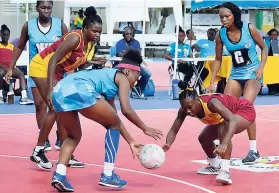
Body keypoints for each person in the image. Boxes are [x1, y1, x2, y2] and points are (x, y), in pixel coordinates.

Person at [50, 49, 163, 191]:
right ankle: (108, 175)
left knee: (73, 136)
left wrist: (131, 141)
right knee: (112, 124)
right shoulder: (122, 78)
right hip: (80, 88)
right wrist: (145, 128)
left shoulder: (108, 80)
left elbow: (114, 120)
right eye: (137, 75)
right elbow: (126, 110)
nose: (136, 81)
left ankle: (59, 175)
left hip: (59, 90)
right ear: (128, 71)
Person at [7, 6, 102, 170]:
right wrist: (51, 90)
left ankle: (65, 154)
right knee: (54, 108)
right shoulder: (75, 38)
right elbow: (52, 60)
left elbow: (77, 63)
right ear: (85, 28)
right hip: (41, 66)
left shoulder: (90, 43)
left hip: (56, 71)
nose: (97, 35)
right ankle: (38, 150)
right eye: (94, 31)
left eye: (100, 32)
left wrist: (93, 62)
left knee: (64, 109)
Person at [163, 81, 256, 185]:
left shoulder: (212, 103)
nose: (188, 111)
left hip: (244, 110)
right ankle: (215, 165)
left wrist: (224, 143)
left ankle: (225, 171)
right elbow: (174, 129)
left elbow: (232, 121)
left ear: (197, 100)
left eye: (190, 107)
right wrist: (168, 144)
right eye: (185, 108)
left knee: (223, 127)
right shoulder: (184, 110)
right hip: (226, 117)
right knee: (204, 138)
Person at [5, 0, 68, 153]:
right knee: (40, 106)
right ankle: (44, 138)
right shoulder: (29, 26)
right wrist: (10, 68)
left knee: (59, 107)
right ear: (37, 8)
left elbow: (69, 46)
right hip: (36, 72)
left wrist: (71, 67)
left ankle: (61, 137)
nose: (46, 10)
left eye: (49, 8)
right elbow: (19, 46)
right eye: (43, 7)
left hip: (57, 72)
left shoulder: (60, 25)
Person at [208, 2, 267, 164]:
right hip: (236, 74)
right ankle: (224, 149)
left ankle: (253, 150)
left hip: (253, 73)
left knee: (246, 107)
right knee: (224, 109)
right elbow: (218, 59)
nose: (224, 20)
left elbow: (264, 48)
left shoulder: (249, 29)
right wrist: (213, 81)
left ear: (235, 15)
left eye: (227, 16)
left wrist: (261, 67)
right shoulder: (221, 34)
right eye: (221, 17)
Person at [0, 24, 32, 104]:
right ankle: (0, 96)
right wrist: (7, 69)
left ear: (9, 35)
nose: (5, 36)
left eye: (7, 35)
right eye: (3, 34)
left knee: (21, 74)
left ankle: (24, 97)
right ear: (0, 34)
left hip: (10, 68)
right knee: (0, 73)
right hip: (2, 68)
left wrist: (11, 68)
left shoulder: (12, 46)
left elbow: (13, 59)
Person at [115, 26, 152, 95]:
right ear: (124, 35)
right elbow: (120, 54)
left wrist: (127, 52)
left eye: (130, 34)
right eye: (127, 34)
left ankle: (139, 89)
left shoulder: (136, 43)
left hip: (135, 66)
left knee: (148, 74)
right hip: (122, 66)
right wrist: (132, 52)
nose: (129, 36)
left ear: (133, 35)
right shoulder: (119, 43)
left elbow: (138, 53)